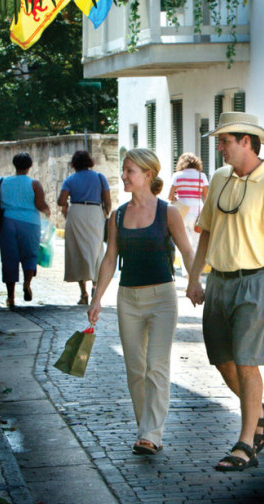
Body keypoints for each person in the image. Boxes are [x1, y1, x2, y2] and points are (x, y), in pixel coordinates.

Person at [186, 112, 264, 472]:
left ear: (246, 142)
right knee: (223, 360)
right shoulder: (219, 178)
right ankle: (261, 414)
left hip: (256, 282)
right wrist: (194, 277)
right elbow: (205, 230)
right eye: (219, 141)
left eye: (224, 141)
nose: (219, 147)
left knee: (247, 362)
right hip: (219, 281)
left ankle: (245, 444)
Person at [87, 148, 195, 456]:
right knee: (135, 368)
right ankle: (144, 428)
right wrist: (97, 299)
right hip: (128, 299)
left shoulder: (168, 212)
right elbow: (109, 260)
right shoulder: (117, 216)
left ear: (148, 175)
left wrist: (195, 282)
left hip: (162, 298)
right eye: (124, 170)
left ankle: (151, 434)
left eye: (129, 171)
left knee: (156, 366)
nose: (123, 176)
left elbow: (187, 251)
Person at [0, 152, 51, 308]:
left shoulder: (2, 181)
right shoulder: (34, 184)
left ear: (14, 165)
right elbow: (40, 205)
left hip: (7, 223)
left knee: (9, 258)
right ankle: (27, 284)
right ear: (30, 166)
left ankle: (10, 297)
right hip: (30, 223)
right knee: (30, 255)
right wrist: (48, 213)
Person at [57, 150, 112, 305]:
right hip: (95, 212)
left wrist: (66, 204)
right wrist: (105, 214)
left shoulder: (70, 179)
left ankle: (83, 293)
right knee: (96, 248)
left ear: (73, 164)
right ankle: (95, 284)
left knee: (78, 250)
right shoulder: (100, 178)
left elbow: (61, 201)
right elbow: (107, 201)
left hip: (77, 212)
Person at [168, 152, 208, 252]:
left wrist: (176, 199)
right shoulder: (201, 176)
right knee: (196, 244)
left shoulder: (176, 176)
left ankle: (185, 268)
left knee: (183, 245)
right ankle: (194, 267)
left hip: (181, 213)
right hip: (198, 213)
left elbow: (169, 196)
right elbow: (206, 197)